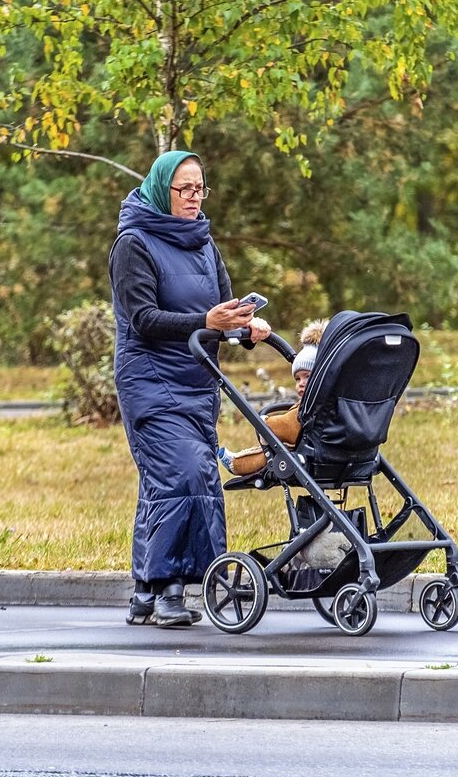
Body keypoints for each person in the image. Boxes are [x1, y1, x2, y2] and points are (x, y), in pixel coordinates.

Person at [109, 150, 270, 628]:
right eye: (185, 189)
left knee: (163, 484)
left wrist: (245, 326)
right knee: (184, 474)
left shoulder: (203, 243)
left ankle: (142, 592)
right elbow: (143, 319)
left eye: (200, 189)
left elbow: (222, 310)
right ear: (163, 189)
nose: (195, 198)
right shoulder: (132, 244)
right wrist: (206, 321)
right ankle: (169, 592)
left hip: (198, 383)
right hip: (148, 379)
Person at [217, 319, 328, 476]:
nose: (301, 384)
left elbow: (287, 426)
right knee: (280, 448)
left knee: (275, 450)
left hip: (314, 449)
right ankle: (238, 460)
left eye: (307, 377)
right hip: (339, 450)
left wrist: (266, 423)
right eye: (297, 379)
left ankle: (238, 463)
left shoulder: (309, 409)